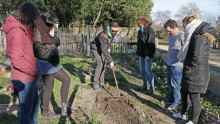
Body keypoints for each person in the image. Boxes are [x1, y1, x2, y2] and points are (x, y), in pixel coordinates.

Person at [173, 14, 219, 124]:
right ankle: (183, 114)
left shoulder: (200, 35)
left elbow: (196, 58)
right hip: (191, 70)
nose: (184, 29)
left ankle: (193, 121)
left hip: (197, 72)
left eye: (184, 26)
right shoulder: (195, 33)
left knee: (194, 97)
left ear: (188, 23)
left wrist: (188, 66)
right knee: (184, 92)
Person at [2, 2, 40, 123]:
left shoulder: (21, 29)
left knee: (34, 106)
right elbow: (18, 60)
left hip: (27, 76)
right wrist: (34, 71)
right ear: (28, 16)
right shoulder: (17, 32)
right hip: (24, 78)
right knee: (26, 112)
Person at [34, 12, 76, 117]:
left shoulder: (47, 29)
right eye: (54, 24)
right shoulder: (37, 30)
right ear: (48, 23)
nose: (55, 26)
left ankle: (64, 108)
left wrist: (53, 36)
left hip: (52, 63)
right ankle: (45, 111)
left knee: (66, 80)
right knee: (49, 87)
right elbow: (38, 51)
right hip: (45, 64)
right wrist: (52, 52)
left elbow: (57, 41)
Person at [162, 19, 185, 110]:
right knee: (169, 83)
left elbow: (185, 50)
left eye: (169, 31)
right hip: (169, 63)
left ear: (175, 28)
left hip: (177, 66)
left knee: (176, 85)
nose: (168, 33)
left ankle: (176, 102)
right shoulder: (171, 36)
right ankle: (170, 99)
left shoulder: (182, 36)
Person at [90, 22, 119, 91]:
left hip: (102, 48)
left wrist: (108, 47)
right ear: (110, 29)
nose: (114, 32)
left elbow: (108, 42)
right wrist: (111, 61)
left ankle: (101, 82)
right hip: (95, 48)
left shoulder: (112, 33)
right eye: (113, 31)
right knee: (100, 63)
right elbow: (104, 50)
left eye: (116, 31)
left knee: (104, 63)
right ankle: (95, 84)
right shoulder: (103, 35)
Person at [136, 16, 156, 95]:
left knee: (148, 71)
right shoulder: (140, 31)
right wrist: (138, 52)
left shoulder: (150, 31)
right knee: (142, 70)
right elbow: (139, 43)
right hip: (141, 54)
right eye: (139, 23)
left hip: (147, 55)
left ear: (145, 22)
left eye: (140, 23)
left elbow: (151, 44)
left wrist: (149, 55)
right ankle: (145, 85)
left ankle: (152, 88)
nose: (139, 24)